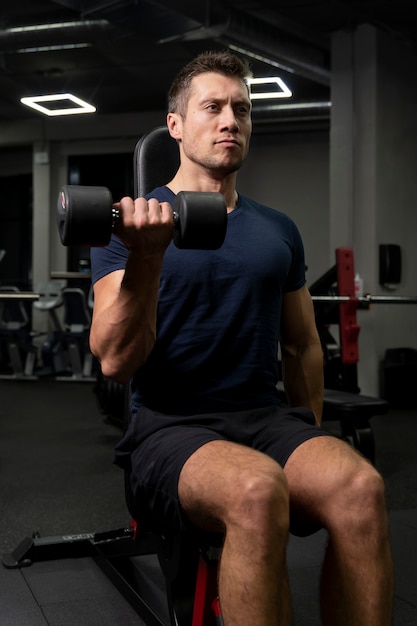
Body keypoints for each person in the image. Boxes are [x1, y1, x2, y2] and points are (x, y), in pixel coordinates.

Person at [89, 51, 393, 626]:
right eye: (213, 107)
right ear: (175, 125)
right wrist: (147, 258)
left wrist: (310, 438)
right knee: (257, 490)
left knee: (360, 488)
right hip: (168, 429)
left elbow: (302, 345)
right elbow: (115, 362)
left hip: (264, 418)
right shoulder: (129, 227)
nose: (231, 120)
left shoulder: (278, 229)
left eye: (243, 110)